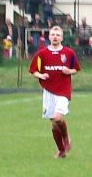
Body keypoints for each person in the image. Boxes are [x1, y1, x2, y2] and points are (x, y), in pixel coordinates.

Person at [28, 24, 79, 159]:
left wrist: (69, 71)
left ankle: (66, 137)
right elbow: (33, 70)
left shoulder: (69, 53)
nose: (55, 37)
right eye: (52, 35)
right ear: (49, 37)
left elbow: (76, 68)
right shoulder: (42, 54)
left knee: (58, 118)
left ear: (62, 37)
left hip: (63, 90)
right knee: (54, 123)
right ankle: (61, 150)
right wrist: (41, 75)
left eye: (57, 35)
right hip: (49, 91)